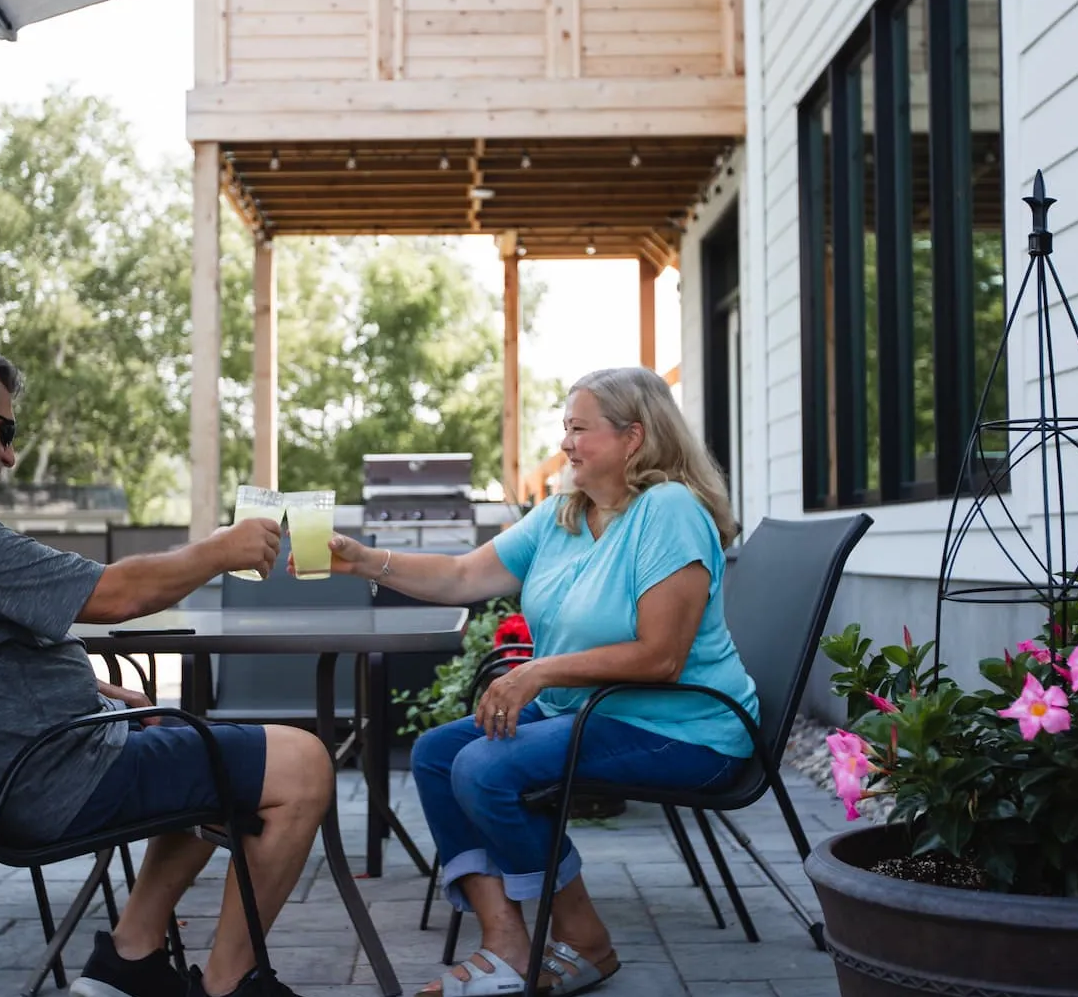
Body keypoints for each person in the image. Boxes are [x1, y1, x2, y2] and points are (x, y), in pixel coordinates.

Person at [0, 346, 330, 997]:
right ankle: (228, 983)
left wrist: (100, 690)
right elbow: (115, 597)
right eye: (5, 430)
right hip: (52, 776)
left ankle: (129, 959)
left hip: (28, 761)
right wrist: (221, 549)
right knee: (303, 766)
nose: (9, 454)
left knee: (183, 734)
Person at [321, 366, 756, 997]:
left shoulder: (669, 511)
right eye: (565, 429)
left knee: (487, 769)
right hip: (590, 713)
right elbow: (462, 577)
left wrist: (538, 670)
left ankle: (584, 938)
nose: (566, 445)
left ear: (633, 437)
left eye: (579, 429)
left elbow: (661, 656)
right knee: (439, 755)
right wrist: (363, 560)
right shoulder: (565, 514)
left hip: (686, 729)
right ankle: (507, 942)